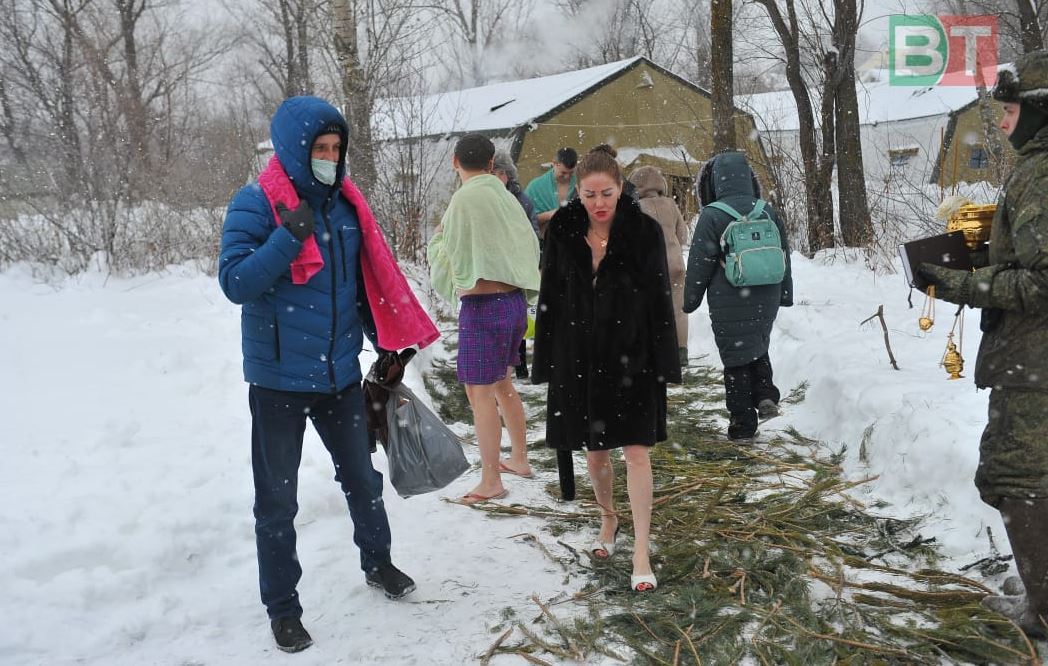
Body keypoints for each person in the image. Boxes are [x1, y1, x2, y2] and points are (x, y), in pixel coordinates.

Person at [218, 96, 439, 653]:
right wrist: (286, 237)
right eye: (320, 148)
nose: (330, 158)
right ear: (296, 149)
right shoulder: (256, 205)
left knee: (362, 481)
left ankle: (379, 563)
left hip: (338, 374)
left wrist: (383, 343)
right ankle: (283, 608)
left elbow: (356, 286)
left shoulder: (345, 208)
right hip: (277, 381)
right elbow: (236, 282)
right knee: (277, 500)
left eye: (337, 149)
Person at [917, 50, 1048, 639]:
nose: (1001, 122)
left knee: (1016, 478)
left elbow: (1044, 278)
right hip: (1033, 358)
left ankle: (1042, 609)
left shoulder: (1041, 172)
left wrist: (965, 283)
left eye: (1012, 110)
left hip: (1035, 365)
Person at [532, 144, 681, 593]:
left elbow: (659, 300)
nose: (599, 203)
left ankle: (640, 549)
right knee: (594, 452)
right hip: (577, 357)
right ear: (578, 192)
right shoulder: (562, 228)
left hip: (631, 357)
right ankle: (608, 519)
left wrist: (664, 363)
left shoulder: (644, 232)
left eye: (608, 194)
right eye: (590, 194)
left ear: (621, 190)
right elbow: (551, 297)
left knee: (636, 451)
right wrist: (546, 362)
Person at [427, 134, 541, 504]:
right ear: (492, 164)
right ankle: (520, 459)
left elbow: (453, 255)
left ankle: (491, 479)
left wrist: (439, 250)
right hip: (512, 305)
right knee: (503, 384)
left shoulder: (464, 199)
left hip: (482, 307)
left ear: (454, 161)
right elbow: (529, 244)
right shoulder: (505, 197)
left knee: (479, 394)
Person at [683, 151, 793, 441]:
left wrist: (690, 300)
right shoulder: (766, 209)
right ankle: (766, 393)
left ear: (715, 182)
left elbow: (700, 262)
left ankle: (742, 422)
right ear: (748, 178)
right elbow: (784, 253)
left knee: (735, 358)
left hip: (728, 294)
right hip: (766, 292)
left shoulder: (712, 214)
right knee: (756, 342)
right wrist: (785, 292)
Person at [629, 165, 690, 367]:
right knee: (678, 310)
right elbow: (683, 235)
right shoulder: (671, 204)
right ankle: (681, 353)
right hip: (676, 264)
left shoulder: (636, 207)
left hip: (651, 265)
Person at [493, 150, 540, 380]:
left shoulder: (522, 200)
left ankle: (518, 363)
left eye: (500, 172)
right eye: (492, 171)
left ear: (508, 174)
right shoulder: (487, 198)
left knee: (518, 319)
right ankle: (503, 362)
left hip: (516, 267)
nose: (496, 176)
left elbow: (532, 232)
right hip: (494, 267)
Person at [525, 146, 578, 239]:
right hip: (545, 241)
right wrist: (550, 215)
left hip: (576, 239)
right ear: (554, 163)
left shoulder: (580, 183)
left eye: (571, 173)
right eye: (563, 173)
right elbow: (524, 219)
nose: (567, 177)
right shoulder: (535, 187)